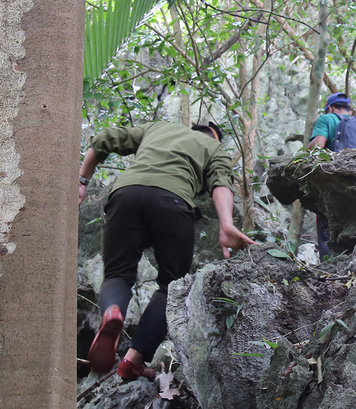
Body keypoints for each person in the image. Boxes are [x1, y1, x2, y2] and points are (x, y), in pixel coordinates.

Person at [78, 120, 255, 379]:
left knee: (118, 275)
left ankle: (113, 311)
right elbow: (221, 185)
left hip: (126, 195)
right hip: (173, 202)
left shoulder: (158, 128)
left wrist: (83, 180)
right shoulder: (214, 148)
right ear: (215, 137)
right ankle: (132, 360)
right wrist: (226, 224)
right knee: (172, 287)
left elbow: (104, 139)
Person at [307, 93, 355, 258]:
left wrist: (303, 152)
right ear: (350, 111)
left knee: (326, 227)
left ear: (330, 108)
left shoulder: (327, 119)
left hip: (333, 185)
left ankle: (328, 271)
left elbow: (318, 146)